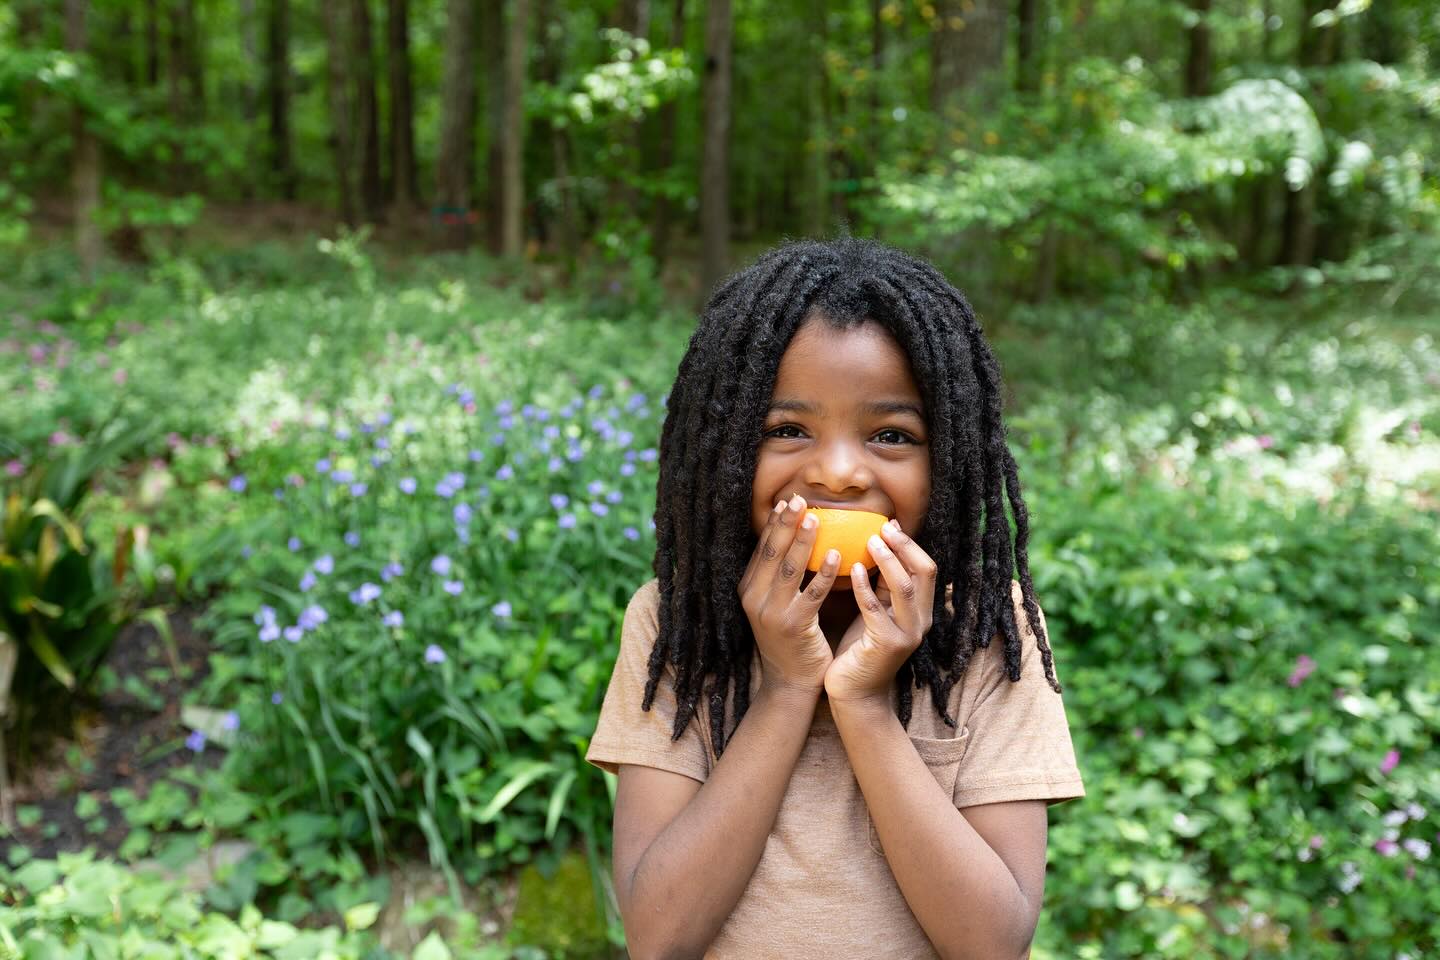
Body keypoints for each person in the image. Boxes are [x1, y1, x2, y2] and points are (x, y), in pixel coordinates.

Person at [585, 237, 1085, 959]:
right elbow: (659, 938)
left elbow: (992, 945)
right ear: (724, 451)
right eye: (787, 430)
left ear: (948, 457)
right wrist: (787, 686)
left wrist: (864, 706)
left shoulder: (985, 629)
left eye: (891, 434)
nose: (841, 473)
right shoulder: (676, 621)